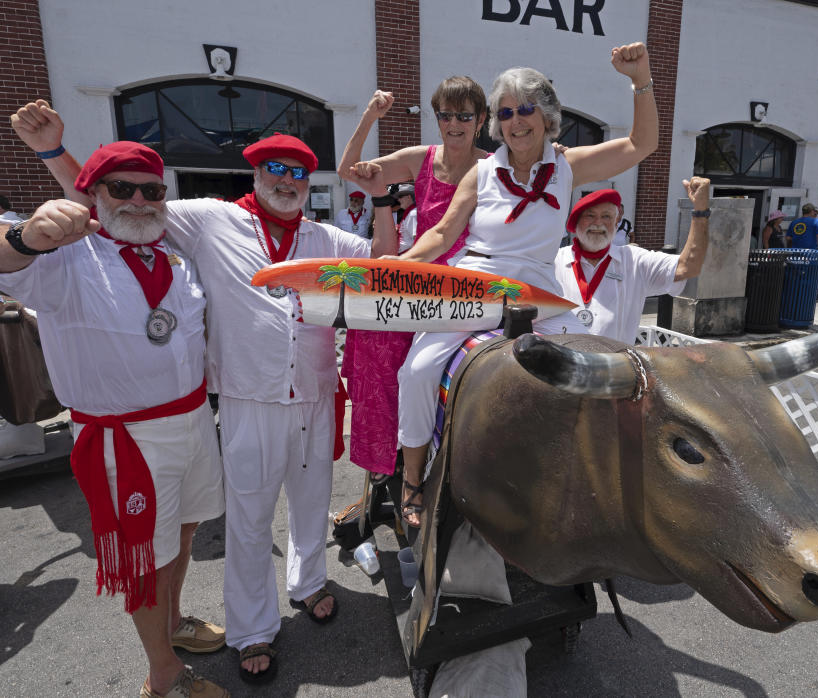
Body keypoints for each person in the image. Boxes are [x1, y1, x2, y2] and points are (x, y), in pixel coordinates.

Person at [10, 100, 397, 683]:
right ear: (256, 175)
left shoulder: (325, 238)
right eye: (276, 170)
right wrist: (51, 154)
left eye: (298, 173)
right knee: (249, 518)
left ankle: (309, 581)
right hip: (246, 398)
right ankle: (252, 628)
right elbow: (114, 201)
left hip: (315, 393)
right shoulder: (210, 219)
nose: (287, 181)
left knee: (312, 501)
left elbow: (386, 263)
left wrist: (388, 197)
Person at [394, 41, 659, 527]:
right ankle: (413, 479)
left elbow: (641, 145)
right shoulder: (481, 172)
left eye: (527, 109)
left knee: (586, 372)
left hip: (538, 293)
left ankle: (578, 478)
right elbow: (442, 232)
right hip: (476, 283)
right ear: (497, 122)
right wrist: (397, 265)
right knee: (416, 371)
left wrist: (639, 79)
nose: (517, 120)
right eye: (507, 111)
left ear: (547, 115)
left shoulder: (567, 166)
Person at [0, 143, 227, 698]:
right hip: (126, 437)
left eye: (151, 190)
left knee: (183, 532)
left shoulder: (174, 257)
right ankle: (164, 675)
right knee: (146, 559)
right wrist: (24, 237)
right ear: (94, 195)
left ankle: (172, 624)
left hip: (194, 420)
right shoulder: (64, 256)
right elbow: (6, 261)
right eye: (121, 188)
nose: (139, 201)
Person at [335, 80, 490, 485]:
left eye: (464, 115)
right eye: (446, 115)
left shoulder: (494, 165)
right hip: (416, 277)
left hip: (467, 284)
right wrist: (370, 116)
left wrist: (553, 153)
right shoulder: (423, 158)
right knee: (378, 340)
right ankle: (390, 469)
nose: (454, 123)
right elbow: (347, 170)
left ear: (481, 120)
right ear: (437, 119)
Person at [554, 182, 710, 344]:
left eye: (606, 216)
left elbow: (688, 267)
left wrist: (700, 212)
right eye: (590, 215)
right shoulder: (553, 262)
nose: (598, 223)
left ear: (616, 224)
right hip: (562, 366)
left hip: (616, 367)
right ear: (576, 222)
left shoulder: (635, 261)